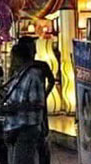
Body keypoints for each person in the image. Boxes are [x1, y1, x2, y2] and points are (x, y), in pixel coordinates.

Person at [2, 43, 46, 164]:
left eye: (12, 58)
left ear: (19, 58)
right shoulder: (19, 75)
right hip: (16, 126)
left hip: (26, 127)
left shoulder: (33, 76)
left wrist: (15, 107)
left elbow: (38, 104)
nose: (11, 61)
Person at [16, 36, 55, 164]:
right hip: (26, 109)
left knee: (42, 139)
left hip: (36, 107)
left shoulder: (41, 65)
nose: (34, 49)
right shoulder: (22, 66)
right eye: (32, 46)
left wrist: (44, 94)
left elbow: (52, 81)